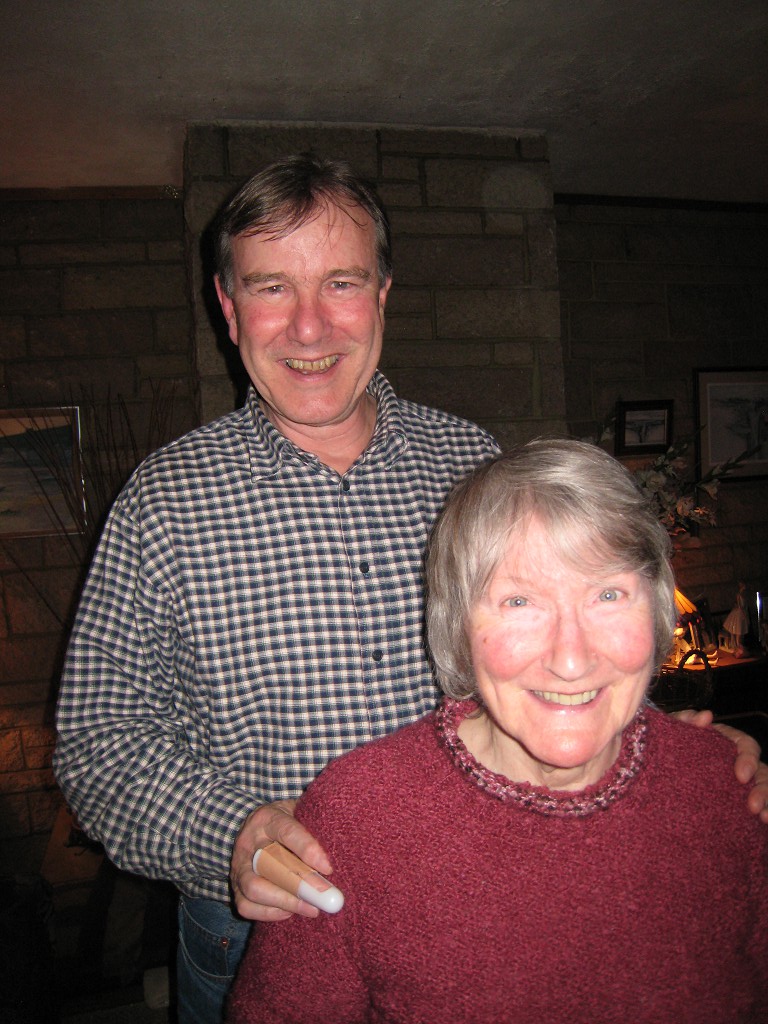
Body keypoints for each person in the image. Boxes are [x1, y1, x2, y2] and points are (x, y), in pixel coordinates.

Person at [53, 155, 768, 1024]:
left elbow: (558, 656)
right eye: (273, 287)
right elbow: (99, 744)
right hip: (259, 930)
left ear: (383, 294)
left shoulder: (474, 466)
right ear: (228, 307)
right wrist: (233, 833)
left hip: (479, 914)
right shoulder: (162, 503)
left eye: (342, 283)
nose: (310, 326)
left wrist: (692, 764)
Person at [228, 439, 768, 1024]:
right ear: (456, 626)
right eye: (519, 601)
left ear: (659, 608)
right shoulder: (357, 819)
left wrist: (708, 767)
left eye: (608, 594)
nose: (571, 659)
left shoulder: (729, 790)